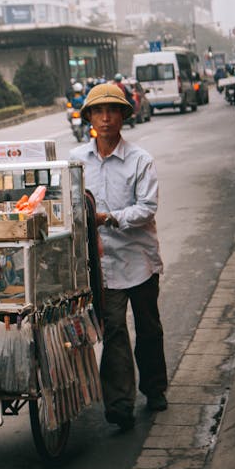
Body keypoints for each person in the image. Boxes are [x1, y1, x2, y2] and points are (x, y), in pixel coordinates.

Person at [70, 83, 168, 431]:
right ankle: (120, 403)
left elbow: (146, 208)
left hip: (139, 259)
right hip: (102, 263)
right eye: (99, 111)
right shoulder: (76, 161)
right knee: (112, 331)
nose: (106, 117)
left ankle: (154, 388)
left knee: (148, 328)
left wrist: (109, 218)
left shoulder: (140, 160)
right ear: (90, 118)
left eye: (113, 110)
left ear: (124, 116)